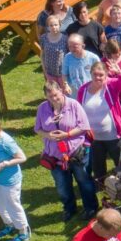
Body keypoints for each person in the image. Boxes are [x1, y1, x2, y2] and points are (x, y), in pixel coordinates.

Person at [35, 82, 99, 221]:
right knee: (62, 186)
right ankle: (69, 209)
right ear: (46, 96)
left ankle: (91, 208)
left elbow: (84, 126)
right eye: (50, 96)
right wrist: (47, 135)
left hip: (76, 152)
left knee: (84, 181)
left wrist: (67, 135)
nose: (54, 98)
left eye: (56, 95)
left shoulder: (73, 105)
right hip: (55, 156)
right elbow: (38, 128)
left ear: (61, 92)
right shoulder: (42, 108)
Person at [77, 61, 121, 184]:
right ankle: (103, 187)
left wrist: (119, 72)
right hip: (94, 138)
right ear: (90, 74)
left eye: (101, 75)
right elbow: (79, 111)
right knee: (98, 165)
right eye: (95, 74)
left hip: (114, 135)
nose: (98, 78)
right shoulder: (83, 90)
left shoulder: (111, 85)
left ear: (106, 75)